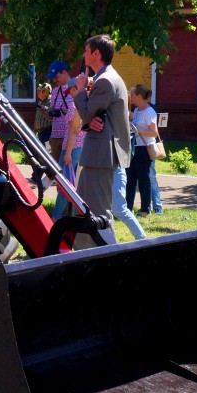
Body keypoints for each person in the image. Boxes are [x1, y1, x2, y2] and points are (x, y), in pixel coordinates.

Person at [68, 34, 131, 248]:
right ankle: (84, 253)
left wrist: (79, 90)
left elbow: (86, 114)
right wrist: (90, 120)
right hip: (99, 153)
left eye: (86, 50)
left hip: (101, 154)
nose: (83, 54)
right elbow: (94, 118)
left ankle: (110, 254)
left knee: (97, 210)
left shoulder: (104, 80)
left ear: (96, 53)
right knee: (84, 207)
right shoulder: (107, 77)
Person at [52, 85, 86, 219]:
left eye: (71, 91)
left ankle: (56, 217)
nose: (69, 95)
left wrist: (67, 153)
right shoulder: (86, 105)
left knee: (65, 186)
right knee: (73, 184)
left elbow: (73, 130)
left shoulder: (74, 106)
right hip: (79, 147)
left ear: (77, 89)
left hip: (71, 149)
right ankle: (72, 215)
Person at [126, 84, 159, 215]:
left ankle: (145, 209)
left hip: (144, 149)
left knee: (143, 179)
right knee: (130, 179)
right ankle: (128, 208)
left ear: (139, 96)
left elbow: (154, 133)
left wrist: (138, 130)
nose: (130, 97)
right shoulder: (136, 110)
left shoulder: (149, 112)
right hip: (134, 147)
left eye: (132, 94)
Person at [46, 60, 74, 165]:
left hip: (68, 137)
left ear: (64, 72)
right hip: (54, 136)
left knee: (66, 169)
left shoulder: (75, 88)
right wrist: (47, 112)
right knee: (52, 167)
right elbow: (51, 115)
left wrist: (65, 112)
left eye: (56, 76)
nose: (54, 79)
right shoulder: (54, 91)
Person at [113, 165, 146, 240]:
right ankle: (110, 242)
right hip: (99, 171)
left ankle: (141, 238)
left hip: (115, 170)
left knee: (119, 208)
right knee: (102, 210)